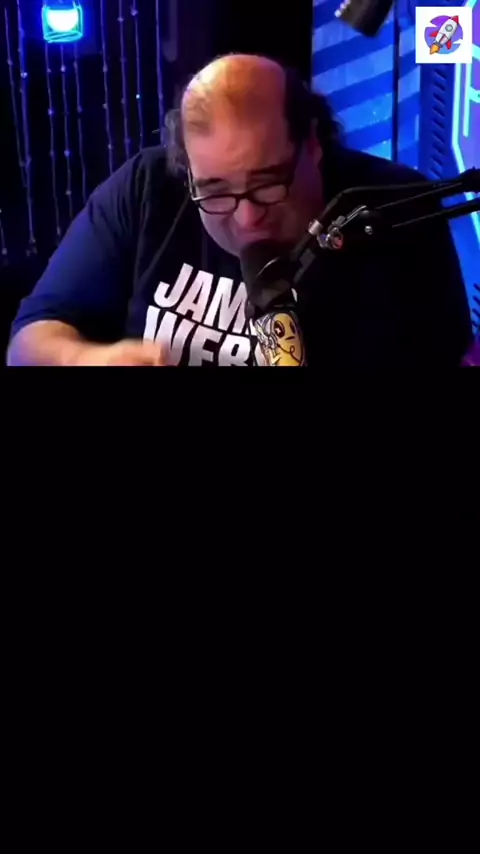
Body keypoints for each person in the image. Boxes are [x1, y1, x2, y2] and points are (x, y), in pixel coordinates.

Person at [8, 53, 473, 367]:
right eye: (215, 193)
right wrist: (88, 359)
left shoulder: (393, 208)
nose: (248, 221)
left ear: (312, 145)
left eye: (268, 184)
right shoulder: (145, 187)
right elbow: (28, 342)